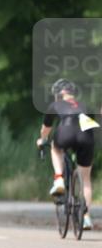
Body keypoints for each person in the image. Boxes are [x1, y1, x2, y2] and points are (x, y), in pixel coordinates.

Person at [37, 79, 98, 230]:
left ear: (58, 94)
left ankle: (58, 179)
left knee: (55, 148)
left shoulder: (55, 105)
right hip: (86, 138)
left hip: (65, 132)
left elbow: (46, 129)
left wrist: (42, 140)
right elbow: (92, 123)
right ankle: (86, 217)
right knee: (86, 179)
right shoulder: (85, 105)